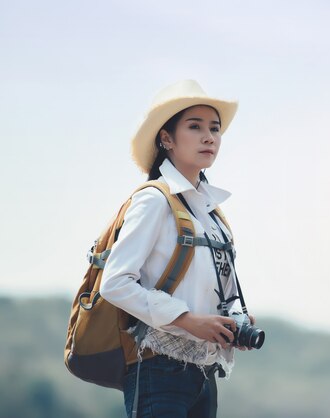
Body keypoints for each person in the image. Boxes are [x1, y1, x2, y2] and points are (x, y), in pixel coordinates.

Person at [100, 79, 254, 418]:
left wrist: (234, 322)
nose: (209, 137)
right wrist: (187, 320)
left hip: (205, 374)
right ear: (166, 138)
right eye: (195, 127)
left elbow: (218, 292)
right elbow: (114, 283)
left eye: (214, 129)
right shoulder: (154, 200)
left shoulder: (214, 215)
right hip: (157, 369)